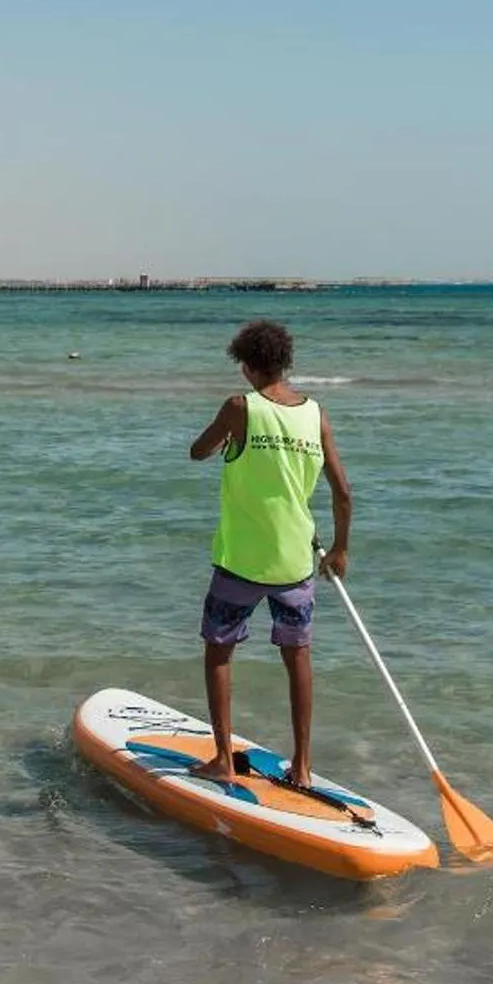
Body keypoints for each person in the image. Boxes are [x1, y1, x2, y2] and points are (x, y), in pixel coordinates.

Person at [189, 318, 359, 802]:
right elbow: (343, 492)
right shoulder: (315, 414)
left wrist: (226, 438)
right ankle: (303, 766)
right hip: (294, 562)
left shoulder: (239, 408)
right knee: (297, 657)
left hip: (241, 561)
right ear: (284, 362)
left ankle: (223, 759)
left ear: (246, 365)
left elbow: (198, 452)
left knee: (220, 650)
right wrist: (342, 549)